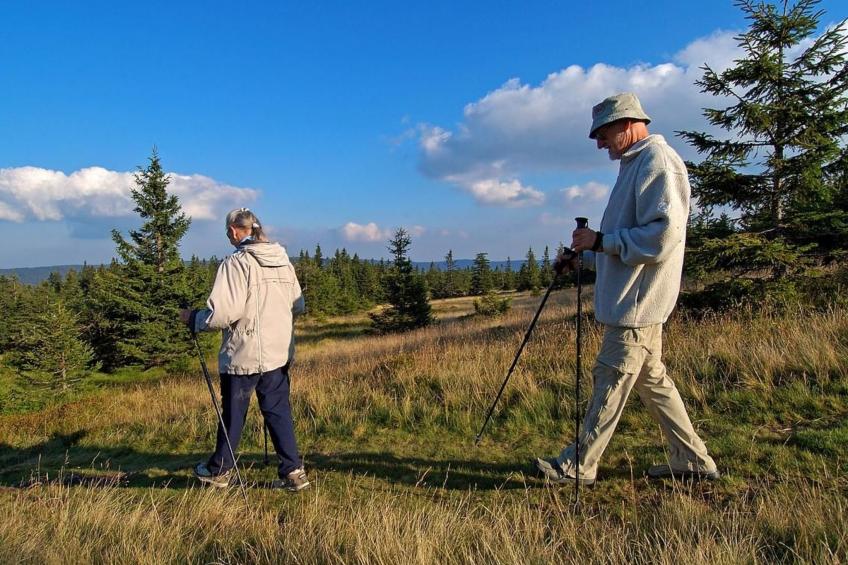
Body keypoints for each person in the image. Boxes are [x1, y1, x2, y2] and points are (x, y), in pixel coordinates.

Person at [535, 92, 719, 485]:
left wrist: (602, 243)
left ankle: (577, 466)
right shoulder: (635, 164)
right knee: (652, 381)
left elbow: (662, 236)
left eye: (603, 134)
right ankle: (692, 460)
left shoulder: (658, 162)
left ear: (628, 123)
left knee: (610, 379)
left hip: (636, 304)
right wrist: (587, 253)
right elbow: (626, 236)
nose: (600, 143)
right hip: (637, 300)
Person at [180, 208, 309, 492]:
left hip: (243, 354)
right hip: (277, 353)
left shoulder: (236, 264)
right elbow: (298, 306)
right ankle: (293, 471)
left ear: (234, 231)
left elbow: (223, 314)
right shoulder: (283, 262)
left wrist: (195, 319)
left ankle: (220, 470)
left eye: (229, 232)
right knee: (277, 410)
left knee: (233, 413)